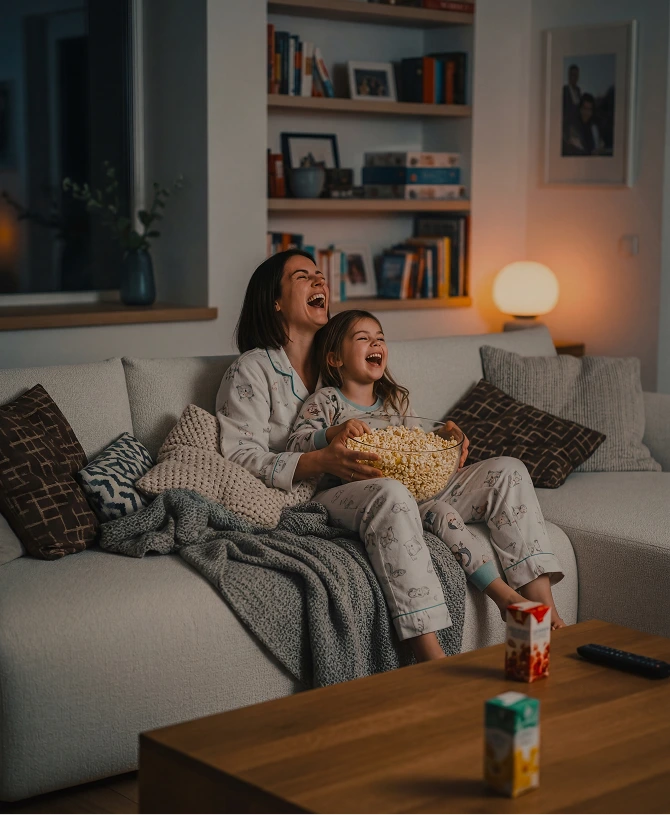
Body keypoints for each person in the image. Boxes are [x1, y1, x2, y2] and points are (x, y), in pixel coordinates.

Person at [286, 309, 567, 646]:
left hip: (414, 495)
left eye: (380, 338)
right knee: (420, 504)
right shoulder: (325, 401)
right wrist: (332, 433)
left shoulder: (397, 401)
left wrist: (447, 446)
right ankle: (491, 604)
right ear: (335, 359)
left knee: (509, 469)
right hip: (351, 496)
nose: (376, 343)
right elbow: (295, 444)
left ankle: (543, 608)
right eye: (363, 338)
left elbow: (419, 452)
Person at [562, 63, 582, 142]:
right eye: (572, 75)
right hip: (568, 129)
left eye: (576, 75)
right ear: (569, 76)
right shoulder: (565, 90)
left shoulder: (578, 91)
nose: (574, 77)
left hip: (578, 128)